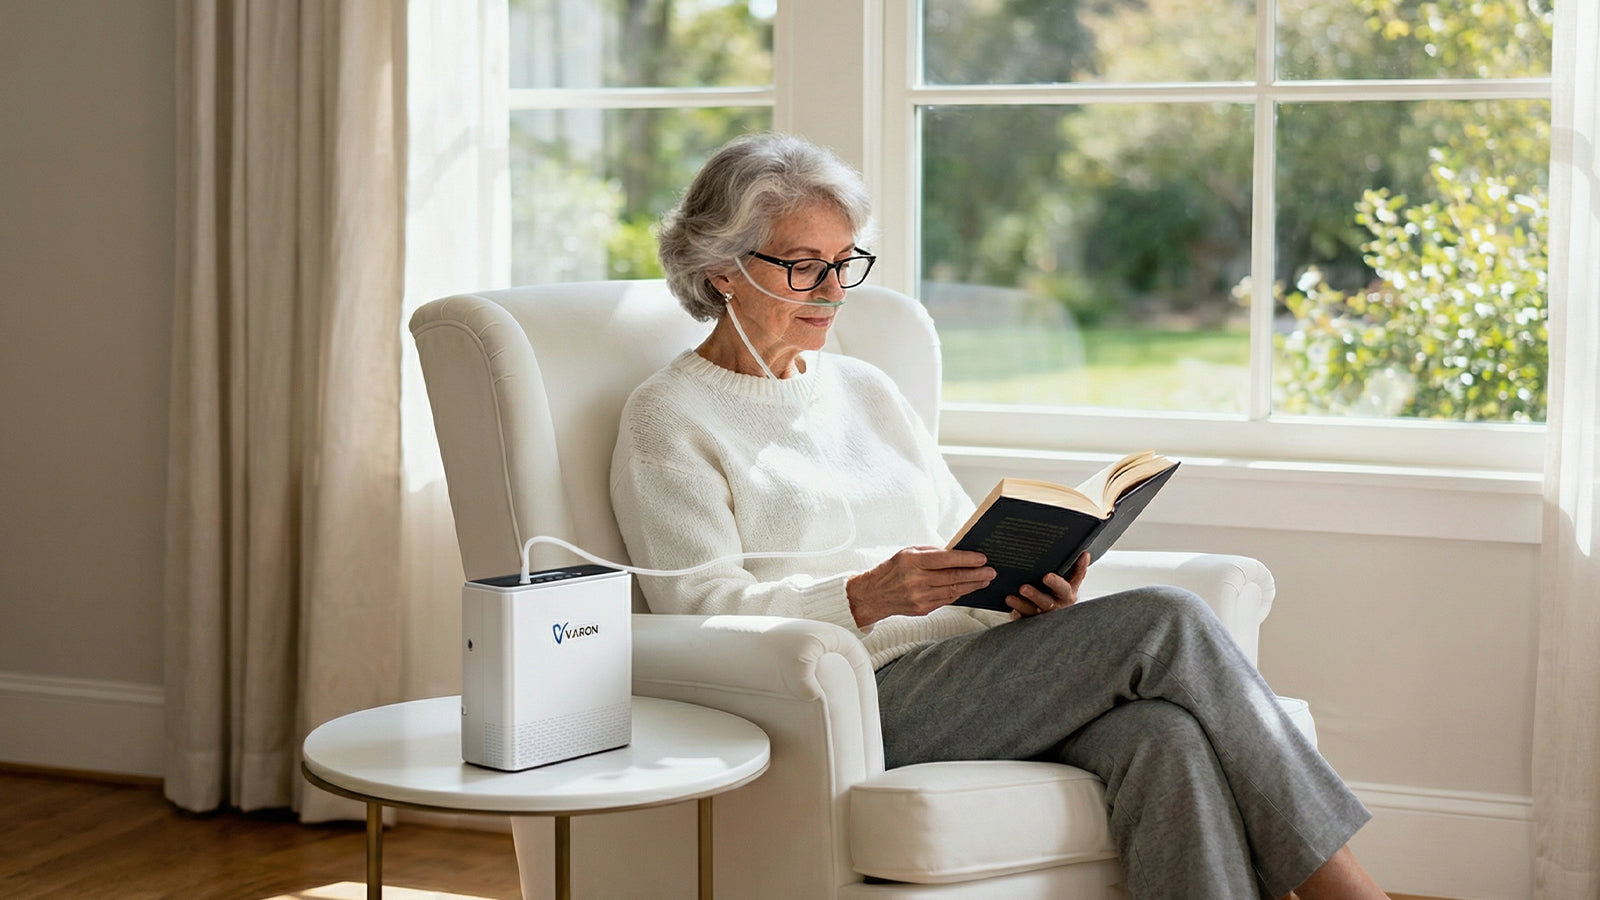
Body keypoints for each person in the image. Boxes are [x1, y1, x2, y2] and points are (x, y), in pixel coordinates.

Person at [610, 131, 1387, 900]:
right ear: (721, 271)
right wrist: (863, 597)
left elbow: (956, 533)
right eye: (804, 266)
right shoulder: (669, 420)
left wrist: (1027, 589)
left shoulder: (865, 390)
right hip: (848, 696)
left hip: (973, 670)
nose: (834, 291)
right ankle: (1348, 892)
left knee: (1163, 738)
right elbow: (700, 611)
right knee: (1167, 620)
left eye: (844, 263)